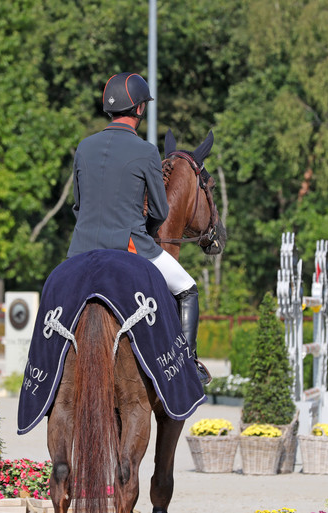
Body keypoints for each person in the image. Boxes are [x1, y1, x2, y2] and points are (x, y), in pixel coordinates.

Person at [67, 71, 211, 385]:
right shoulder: (145, 151)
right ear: (140, 110)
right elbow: (159, 210)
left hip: (79, 252)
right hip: (130, 247)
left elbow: (78, 206)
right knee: (187, 289)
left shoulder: (84, 147)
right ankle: (187, 369)